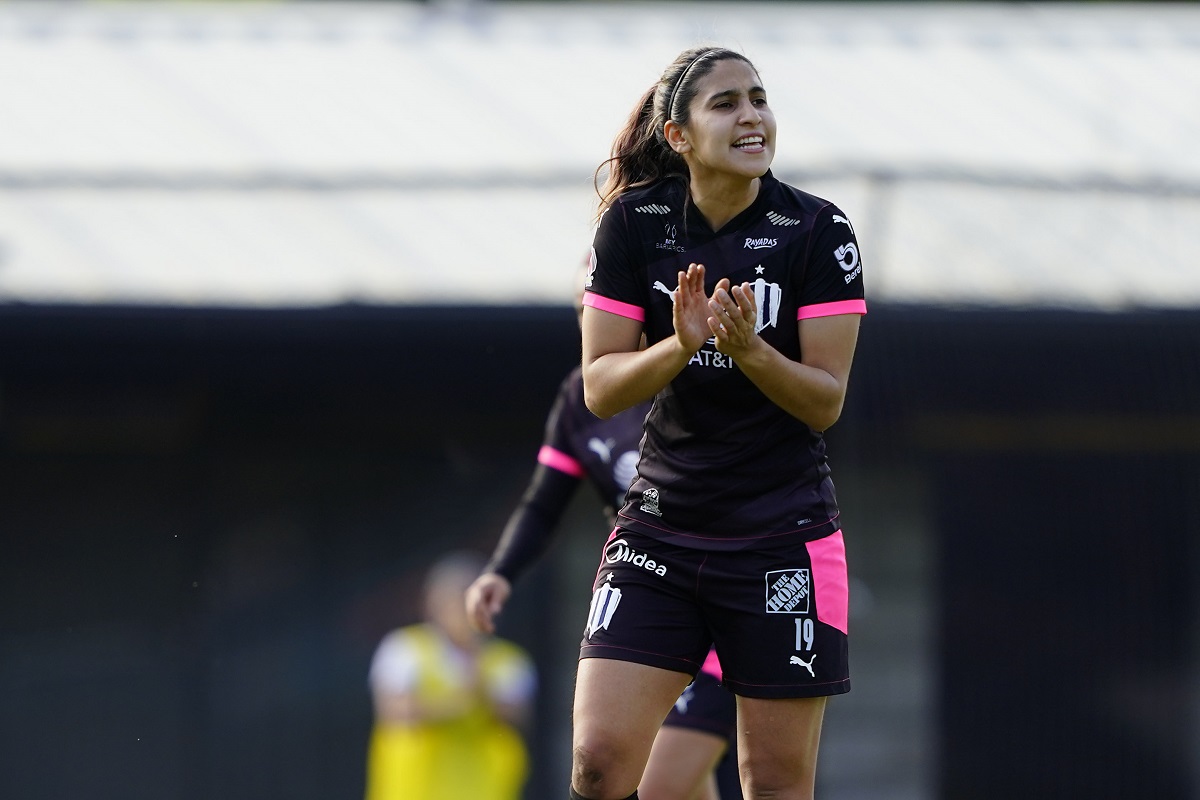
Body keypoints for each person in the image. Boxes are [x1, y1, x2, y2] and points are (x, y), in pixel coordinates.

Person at [570, 44, 867, 800]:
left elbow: (825, 400)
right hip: (660, 535)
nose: (752, 116)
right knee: (598, 767)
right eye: (727, 103)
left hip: (781, 540)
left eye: (759, 98)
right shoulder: (633, 228)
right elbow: (601, 389)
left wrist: (747, 350)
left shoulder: (819, 231)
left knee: (771, 782)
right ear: (679, 136)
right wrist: (681, 344)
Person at [465, 274, 743, 800]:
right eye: (585, 304)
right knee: (663, 785)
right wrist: (500, 571)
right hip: (648, 602)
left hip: (720, 598)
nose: (593, 315)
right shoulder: (579, 398)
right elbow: (545, 501)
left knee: (655, 786)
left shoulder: (701, 372)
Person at [364, 550, 537, 800]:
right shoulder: (403, 648)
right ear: (432, 602)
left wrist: (476, 675)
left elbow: (515, 716)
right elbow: (395, 711)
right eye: (455, 599)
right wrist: (460, 703)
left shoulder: (509, 662)